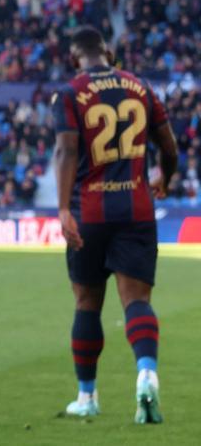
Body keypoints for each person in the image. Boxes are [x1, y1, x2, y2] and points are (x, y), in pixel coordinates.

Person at [53, 26, 177, 423]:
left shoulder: (71, 93)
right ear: (108, 52)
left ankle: (87, 397)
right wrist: (166, 178)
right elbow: (169, 146)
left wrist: (61, 208)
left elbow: (66, 148)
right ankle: (146, 375)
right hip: (137, 209)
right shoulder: (140, 87)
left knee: (87, 303)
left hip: (89, 213)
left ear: (75, 58)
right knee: (137, 301)